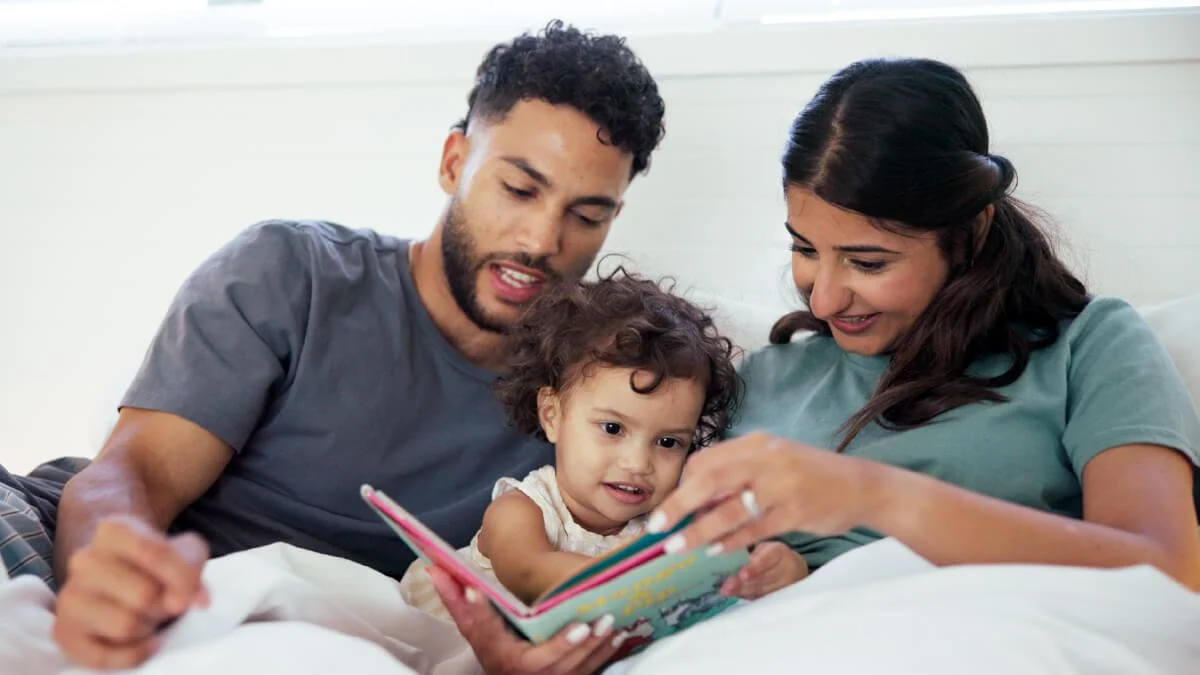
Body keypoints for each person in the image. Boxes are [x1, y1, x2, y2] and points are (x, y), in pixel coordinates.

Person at [0, 20, 670, 672]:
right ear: (454, 161)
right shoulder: (293, 271)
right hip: (49, 544)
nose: (542, 240)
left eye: (587, 215)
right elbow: (133, 471)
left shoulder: (596, 403)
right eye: (519, 188)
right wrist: (105, 566)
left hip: (292, 639)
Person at [645, 58, 1200, 592]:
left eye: (869, 262)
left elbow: (1166, 570)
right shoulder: (765, 373)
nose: (824, 301)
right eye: (805, 248)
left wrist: (876, 495)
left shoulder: (1090, 346)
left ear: (971, 233)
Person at [399, 269, 806, 624]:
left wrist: (776, 567)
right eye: (613, 428)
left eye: (667, 442)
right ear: (552, 414)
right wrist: (653, 580)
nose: (638, 463)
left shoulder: (666, 522)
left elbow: (730, 557)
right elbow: (532, 574)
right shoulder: (523, 509)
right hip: (456, 641)